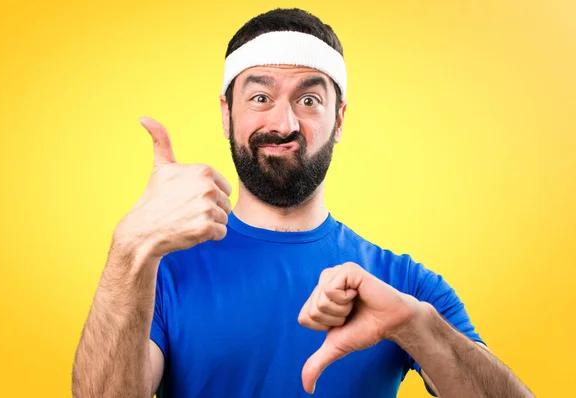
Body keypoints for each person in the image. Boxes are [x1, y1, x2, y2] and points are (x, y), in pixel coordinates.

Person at [72, 8, 533, 398]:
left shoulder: (405, 285)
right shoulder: (160, 275)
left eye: (310, 99)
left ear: (339, 119)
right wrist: (131, 249)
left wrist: (414, 326)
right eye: (260, 96)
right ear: (226, 113)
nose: (284, 122)